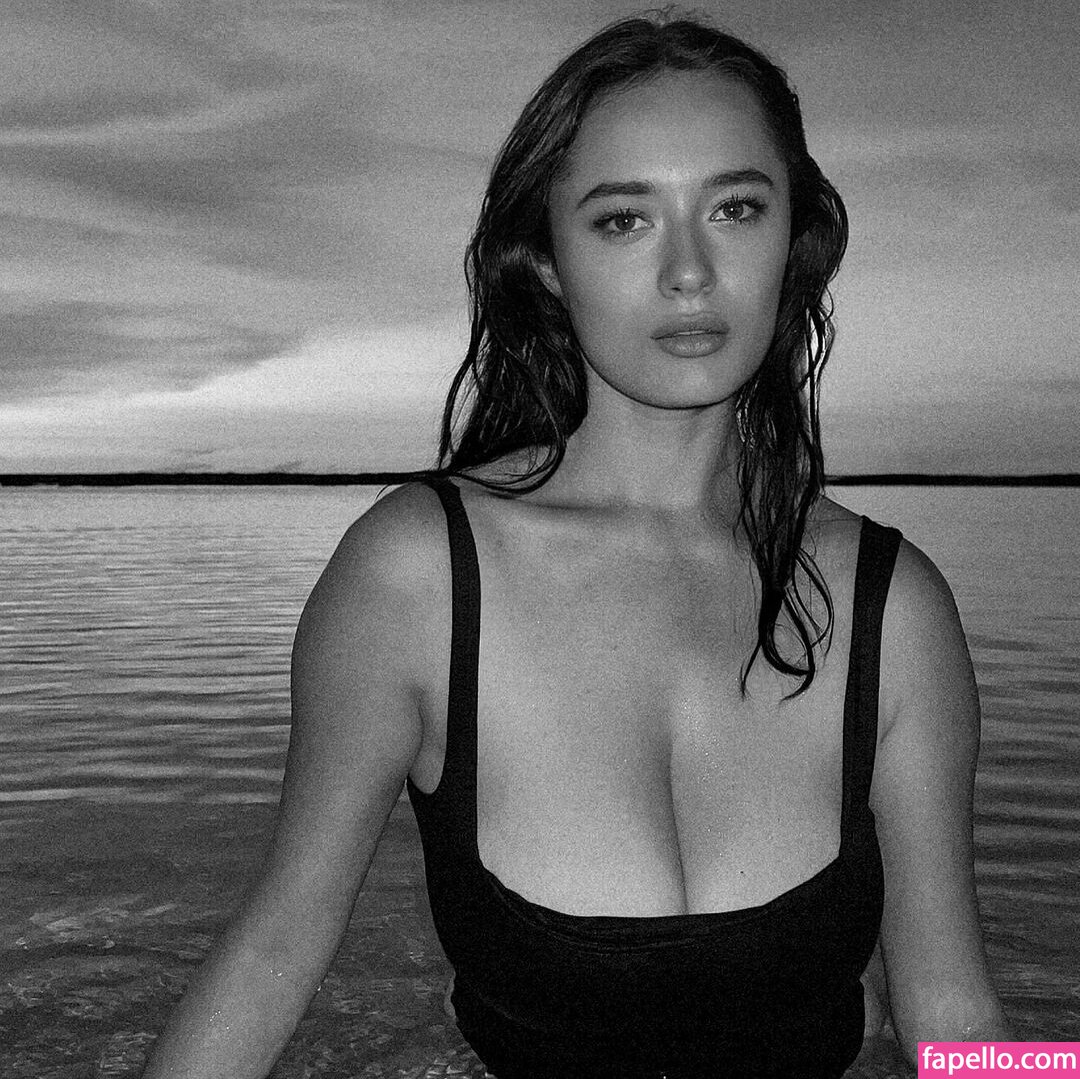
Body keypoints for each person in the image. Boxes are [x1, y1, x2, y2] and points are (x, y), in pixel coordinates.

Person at [141, 11, 1010, 1078]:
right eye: (623, 220)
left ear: (796, 241)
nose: (690, 272)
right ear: (546, 262)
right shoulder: (419, 576)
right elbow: (277, 950)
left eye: (736, 207)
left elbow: (954, 1009)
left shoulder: (893, 605)